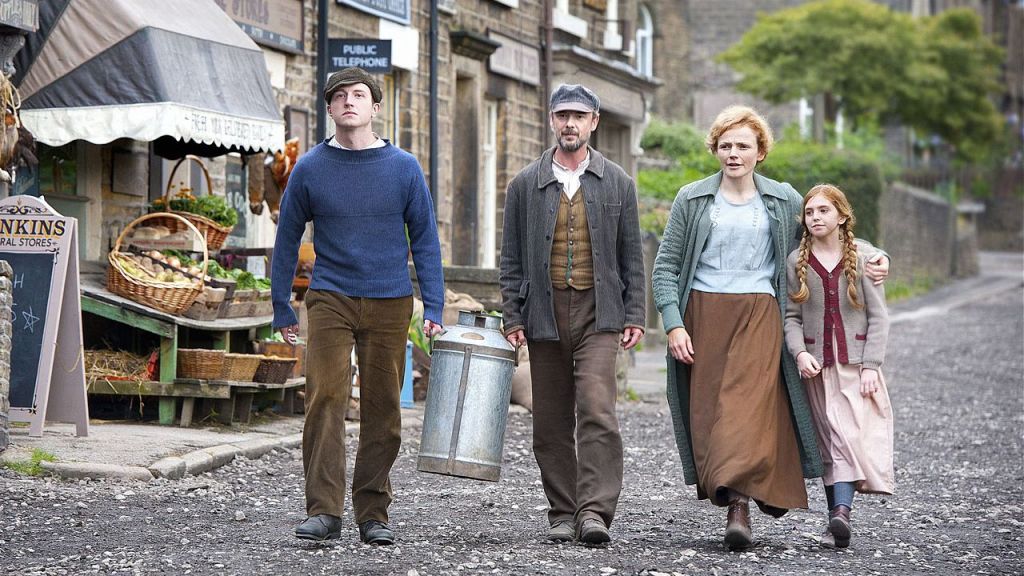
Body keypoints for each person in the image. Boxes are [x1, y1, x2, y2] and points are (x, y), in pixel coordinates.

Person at [651, 105, 889, 550]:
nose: (733, 153)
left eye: (743, 145)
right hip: (704, 315)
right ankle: (750, 487)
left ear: (760, 152)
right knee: (711, 416)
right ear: (715, 151)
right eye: (725, 146)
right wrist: (673, 324)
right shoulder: (692, 198)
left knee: (745, 410)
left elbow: (828, 234)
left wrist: (877, 255)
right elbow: (664, 267)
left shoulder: (782, 198)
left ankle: (739, 507)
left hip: (761, 314)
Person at [270, 67, 444, 545]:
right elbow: (287, 239)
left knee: (384, 408)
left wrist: (435, 305)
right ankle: (324, 512)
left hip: (390, 300)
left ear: (375, 106)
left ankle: (373, 512)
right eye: (340, 96)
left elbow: (426, 239)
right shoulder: (309, 167)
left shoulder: (404, 167)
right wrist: (282, 305)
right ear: (329, 108)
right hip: (330, 296)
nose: (349, 102)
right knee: (324, 398)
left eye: (359, 95)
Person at [499, 84, 646, 545]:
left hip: (600, 311)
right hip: (542, 312)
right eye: (562, 114)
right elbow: (511, 260)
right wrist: (513, 315)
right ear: (550, 120)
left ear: (593, 123)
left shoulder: (617, 181)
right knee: (550, 418)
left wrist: (635, 313)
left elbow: (631, 256)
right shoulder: (525, 183)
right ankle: (563, 510)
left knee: (598, 410)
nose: (570, 123)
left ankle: (595, 512)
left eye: (578, 116)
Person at [784, 184, 894, 549]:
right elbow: (791, 317)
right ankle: (836, 520)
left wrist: (870, 366)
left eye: (823, 211)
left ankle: (841, 513)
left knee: (847, 434)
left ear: (842, 216)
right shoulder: (796, 261)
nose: (815, 217)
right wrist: (800, 353)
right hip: (816, 368)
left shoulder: (863, 259)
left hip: (854, 366)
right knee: (829, 440)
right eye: (810, 212)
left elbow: (879, 318)